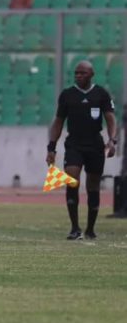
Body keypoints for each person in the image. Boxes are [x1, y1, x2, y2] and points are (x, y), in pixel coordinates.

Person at [46, 60, 117, 240]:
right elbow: (58, 122)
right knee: (72, 179)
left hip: (95, 145)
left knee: (93, 185)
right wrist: (51, 147)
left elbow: (110, 119)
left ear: (91, 74)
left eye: (82, 73)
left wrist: (112, 140)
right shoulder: (67, 95)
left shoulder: (101, 94)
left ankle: (90, 229)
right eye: (76, 73)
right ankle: (75, 228)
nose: (78, 76)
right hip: (74, 144)